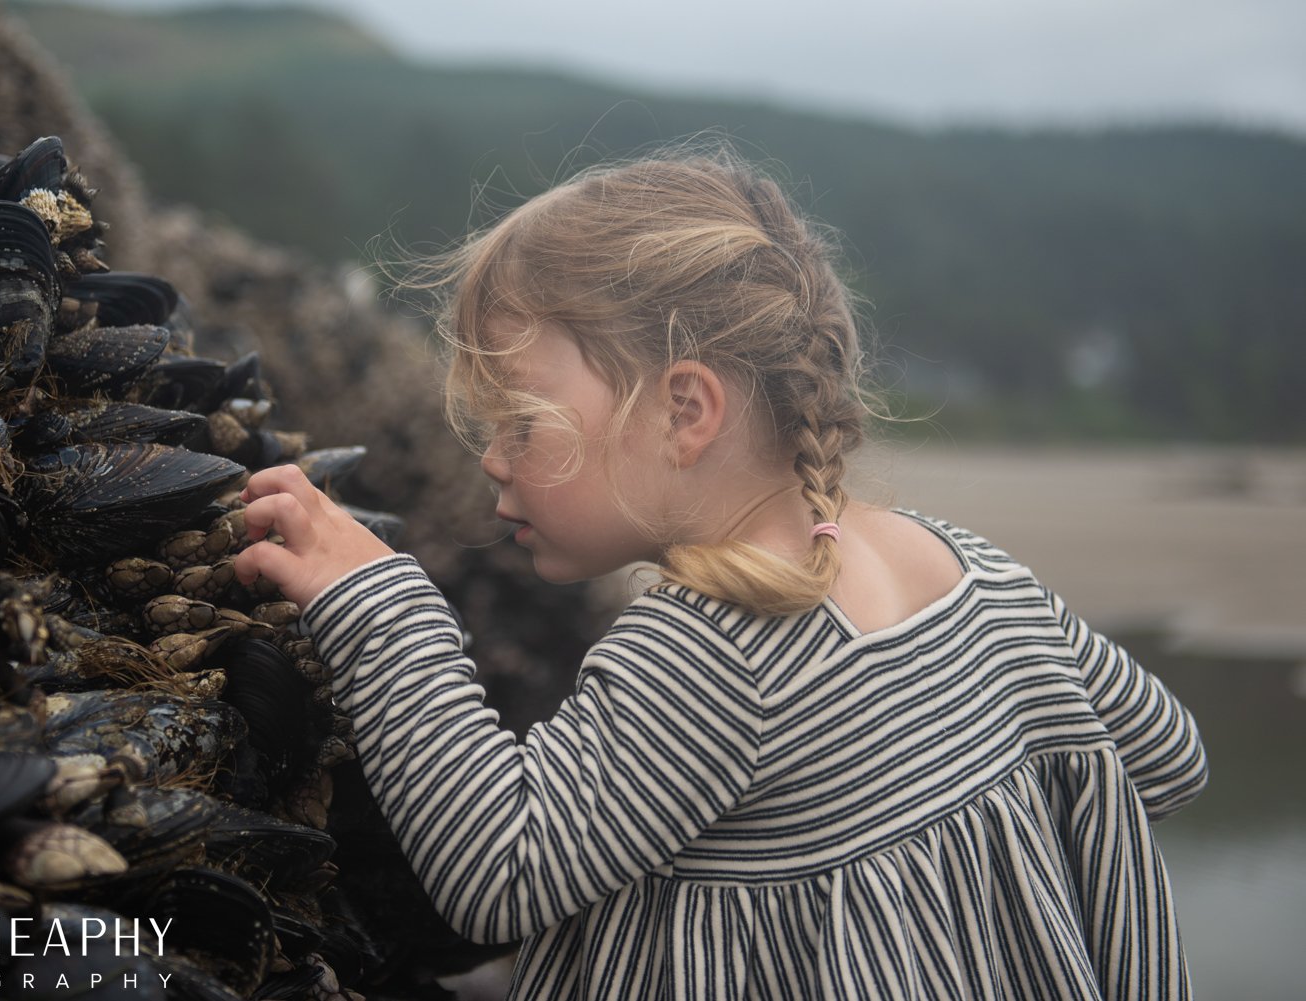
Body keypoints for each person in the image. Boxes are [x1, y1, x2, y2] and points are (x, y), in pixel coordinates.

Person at [234, 152, 1207, 999]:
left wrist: (379, 602)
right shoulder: (969, 566)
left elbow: (505, 866)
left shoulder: (715, 646)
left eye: (520, 422)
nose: (491, 457)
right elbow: (1164, 751)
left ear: (684, 410)